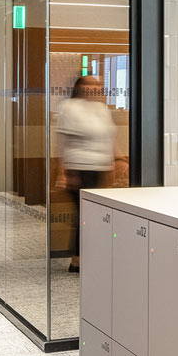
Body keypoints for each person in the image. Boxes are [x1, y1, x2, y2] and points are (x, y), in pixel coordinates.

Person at [56, 75, 118, 272]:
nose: (94, 88)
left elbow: (108, 139)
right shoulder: (69, 107)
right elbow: (62, 143)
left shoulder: (102, 109)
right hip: (79, 168)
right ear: (79, 87)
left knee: (93, 215)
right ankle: (77, 260)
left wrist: (116, 162)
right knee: (85, 215)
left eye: (97, 85)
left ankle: (86, 257)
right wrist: (64, 172)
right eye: (89, 84)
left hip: (100, 168)